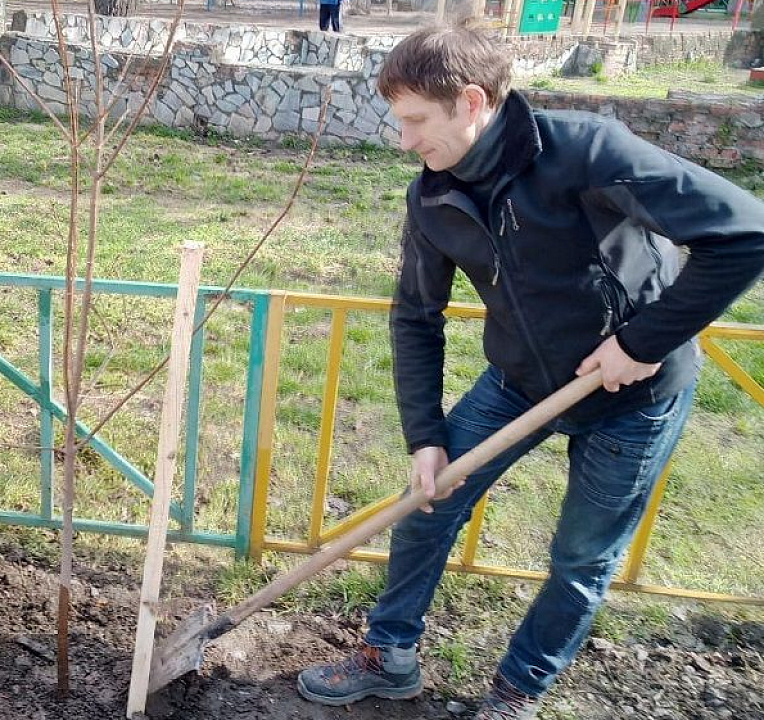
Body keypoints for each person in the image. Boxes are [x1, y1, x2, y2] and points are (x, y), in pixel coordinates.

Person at [296, 24, 764, 720]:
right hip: (518, 383)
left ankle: (517, 691)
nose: (404, 141)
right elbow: (415, 318)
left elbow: (743, 231)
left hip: (634, 397)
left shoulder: (585, 153)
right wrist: (425, 437)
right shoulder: (433, 199)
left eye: (416, 121)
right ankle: (389, 657)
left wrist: (642, 342)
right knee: (426, 504)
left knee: (579, 561)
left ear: (472, 101)